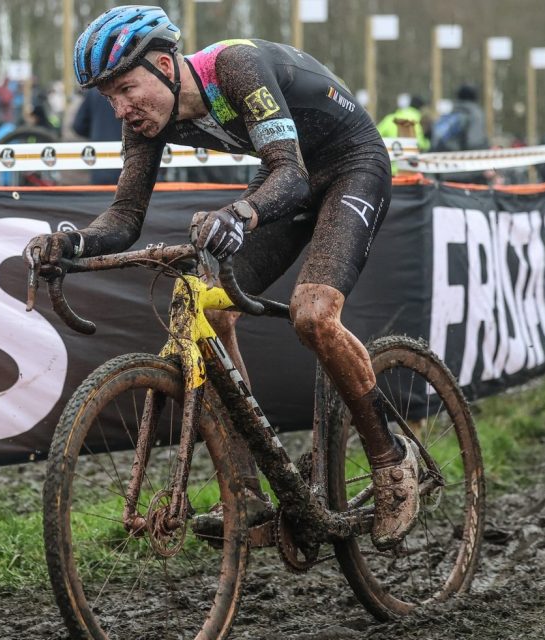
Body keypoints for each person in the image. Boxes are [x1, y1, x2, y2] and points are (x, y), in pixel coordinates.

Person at [25, 6, 420, 550]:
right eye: (107, 97)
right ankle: (250, 493)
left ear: (165, 63)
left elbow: (291, 172)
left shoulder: (235, 68)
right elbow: (124, 219)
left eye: (125, 88)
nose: (120, 107)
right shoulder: (145, 120)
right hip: (286, 179)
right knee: (210, 309)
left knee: (313, 314)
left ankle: (392, 461)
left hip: (349, 165)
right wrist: (70, 243)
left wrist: (239, 215)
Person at [71, 88, 124, 185]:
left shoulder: (94, 91)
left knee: (101, 199)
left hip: (101, 163)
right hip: (130, 163)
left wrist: (95, 133)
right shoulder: (132, 85)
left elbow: (78, 125)